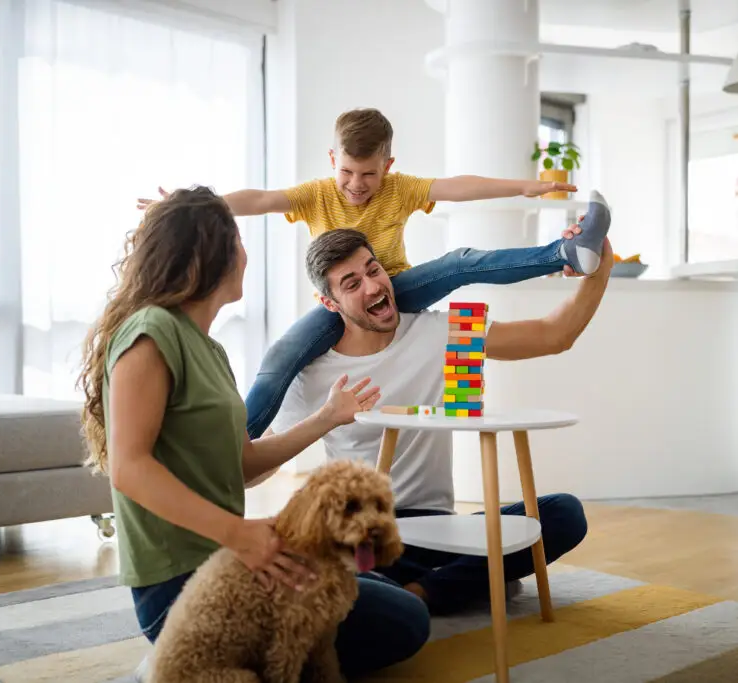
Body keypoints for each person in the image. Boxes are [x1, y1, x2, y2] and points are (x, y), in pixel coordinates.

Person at [76, 186, 430, 679]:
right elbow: (129, 467)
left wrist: (326, 417)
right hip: (180, 586)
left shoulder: (210, 350)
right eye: (237, 241)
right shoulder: (150, 332)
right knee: (406, 620)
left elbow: (240, 466)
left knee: (383, 591)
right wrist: (239, 534)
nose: (246, 254)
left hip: (231, 561)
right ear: (210, 254)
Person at [138, 107, 612, 440]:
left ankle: (567, 254)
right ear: (332, 161)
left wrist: (525, 186)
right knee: (281, 358)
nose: (357, 185)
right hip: (341, 309)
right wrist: (188, 205)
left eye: (369, 174)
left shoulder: (401, 189)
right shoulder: (316, 194)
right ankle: (229, 445)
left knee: (461, 262)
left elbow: (459, 187)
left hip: (401, 290)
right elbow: (259, 201)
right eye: (347, 172)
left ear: (387, 165)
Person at [265, 226, 612, 615]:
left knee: (562, 513)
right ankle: (464, 579)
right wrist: (325, 418)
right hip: (364, 533)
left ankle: (423, 592)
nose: (372, 287)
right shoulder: (313, 373)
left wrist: (600, 267)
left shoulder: (441, 330)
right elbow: (260, 465)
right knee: (316, 570)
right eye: (351, 283)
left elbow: (553, 336)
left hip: (435, 526)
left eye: (373, 270)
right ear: (329, 304)